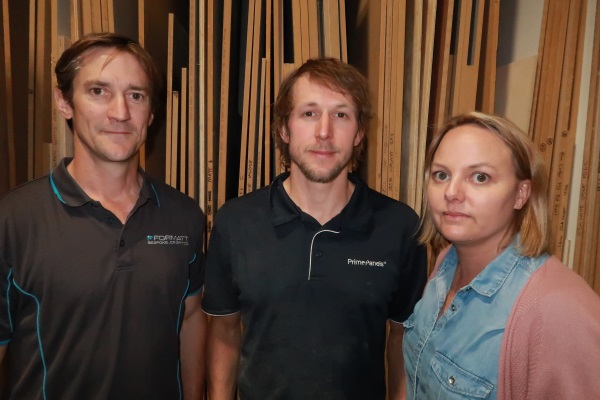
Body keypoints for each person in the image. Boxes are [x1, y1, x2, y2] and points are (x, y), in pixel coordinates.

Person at [202, 57, 427, 400]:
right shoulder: (235, 222)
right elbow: (225, 331)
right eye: (309, 113)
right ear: (283, 128)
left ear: (360, 132)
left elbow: (401, 338)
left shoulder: (399, 227)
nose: (324, 131)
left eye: (341, 114)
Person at [0, 33, 206, 399]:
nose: (120, 112)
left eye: (136, 95)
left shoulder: (184, 216)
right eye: (98, 91)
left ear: (152, 113)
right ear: (64, 102)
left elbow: (191, 319)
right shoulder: (14, 219)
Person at [403, 111, 600, 399]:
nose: (452, 192)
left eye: (480, 177)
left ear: (521, 194)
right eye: (441, 175)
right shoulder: (447, 261)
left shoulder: (558, 311)